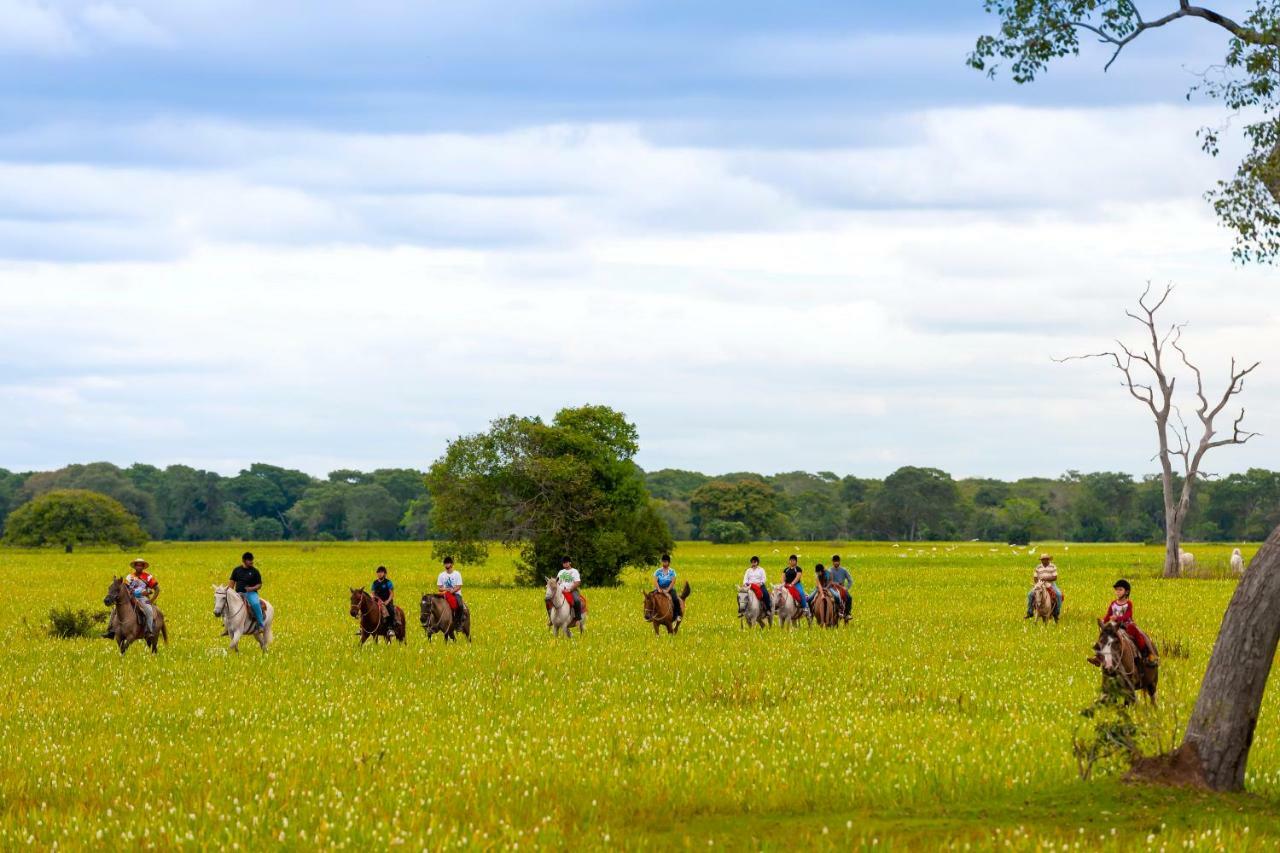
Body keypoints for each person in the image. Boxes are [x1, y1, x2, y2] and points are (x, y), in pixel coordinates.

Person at [1091, 579, 1159, 667]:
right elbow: (1108, 615)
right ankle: (1099, 656)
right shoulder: (1113, 603)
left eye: (1120, 590)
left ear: (1126, 592)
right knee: (1104, 634)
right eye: (1116, 590)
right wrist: (1103, 621)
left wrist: (1117, 618)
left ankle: (1145, 653)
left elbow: (1128, 615)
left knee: (1136, 632)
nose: (1117, 592)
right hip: (1115, 626)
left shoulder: (1128, 604)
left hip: (1126, 625)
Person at [230, 552, 265, 633]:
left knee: (255, 604)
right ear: (244, 561)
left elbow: (259, 585)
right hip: (238, 593)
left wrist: (252, 588)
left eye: (252, 560)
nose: (252, 562)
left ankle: (260, 625)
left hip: (251, 593)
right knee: (227, 604)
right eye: (249, 560)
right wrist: (229, 593)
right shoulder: (236, 570)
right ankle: (227, 625)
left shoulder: (255, 571)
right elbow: (231, 583)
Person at [122, 557, 159, 636]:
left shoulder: (148, 577)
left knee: (149, 611)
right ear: (135, 566)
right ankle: (111, 629)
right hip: (130, 597)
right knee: (115, 610)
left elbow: (157, 589)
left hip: (142, 598)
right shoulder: (129, 577)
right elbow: (125, 588)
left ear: (143, 567)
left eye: (140, 565)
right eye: (137, 565)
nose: (139, 567)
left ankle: (149, 630)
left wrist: (151, 600)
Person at [1024, 553, 1063, 619]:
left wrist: (1046, 579)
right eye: (1042, 560)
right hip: (1040, 583)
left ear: (1048, 560)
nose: (1044, 561)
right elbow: (1035, 577)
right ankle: (1030, 612)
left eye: (1045, 560)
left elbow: (1055, 577)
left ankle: (1056, 613)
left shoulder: (1052, 566)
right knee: (1030, 594)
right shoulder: (1038, 567)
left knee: (1059, 595)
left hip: (1050, 583)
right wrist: (1038, 584)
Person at [653, 554, 682, 624]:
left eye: (665, 562)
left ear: (668, 562)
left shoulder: (672, 572)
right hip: (659, 588)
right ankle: (650, 615)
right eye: (663, 561)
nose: (664, 563)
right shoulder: (658, 571)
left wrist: (668, 590)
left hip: (669, 588)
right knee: (650, 598)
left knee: (675, 599)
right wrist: (658, 589)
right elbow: (655, 581)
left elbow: (673, 582)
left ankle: (677, 615)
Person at [371, 565, 397, 635]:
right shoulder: (374, 583)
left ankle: (390, 628)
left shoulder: (388, 582)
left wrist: (387, 601)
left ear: (384, 573)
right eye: (378, 572)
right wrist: (373, 598)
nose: (379, 574)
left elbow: (391, 594)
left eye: (381, 572)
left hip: (387, 601)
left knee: (391, 610)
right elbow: (372, 593)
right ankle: (362, 628)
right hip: (377, 601)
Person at [557, 556, 583, 622]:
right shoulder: (560, 572)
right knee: (549, 600)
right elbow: (557, 582)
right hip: (561, 591)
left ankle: (578, 618)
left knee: (577, 600)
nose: (565, 564)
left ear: (570, 562)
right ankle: (551, 618)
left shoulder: (574, 571)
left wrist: (570, 589)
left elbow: (577, 582)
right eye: (564, 563)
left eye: (566, 562)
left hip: (572, 591)